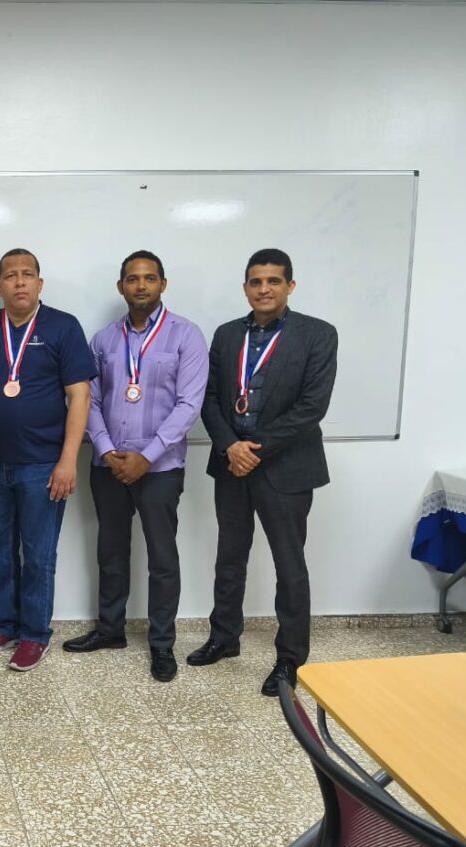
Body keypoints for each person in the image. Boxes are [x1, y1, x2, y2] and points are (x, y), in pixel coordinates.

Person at [188, 248, 338, 696]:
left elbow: (313, 407)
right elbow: (210, 397)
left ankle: (290, 660)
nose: (264, 289)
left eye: (273, 281)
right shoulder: (227, 334)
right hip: (231, 464)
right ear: (246, 287)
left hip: (287, 469)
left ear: (290, 285)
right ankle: (224, 637)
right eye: (256, 282)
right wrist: (230, 446)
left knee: (289, 566)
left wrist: (256, 448)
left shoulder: (318, 334)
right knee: (229, 557)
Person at [63, 251, 208, 683]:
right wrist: (106, 450)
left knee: (162, 557)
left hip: (160, 468)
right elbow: (87, 397)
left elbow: (189, 404)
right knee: (111, 549)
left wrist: (148, 456)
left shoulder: (187, 336)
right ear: (120, 286)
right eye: (132, 279)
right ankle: (110, 630)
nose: (140, 286)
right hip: (108, 465)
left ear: (163, 284)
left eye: (149, 278)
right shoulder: (103, 340)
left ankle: (162, 644)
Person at [0, 248, 95, 671]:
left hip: (44, 465)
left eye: (27, 274)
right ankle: (5, 625)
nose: (19, 282)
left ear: (40, 283)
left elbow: (80, 396)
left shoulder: (63, 327)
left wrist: (68, 460)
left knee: (38, 554)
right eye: (10, 275)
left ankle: (35, 633)